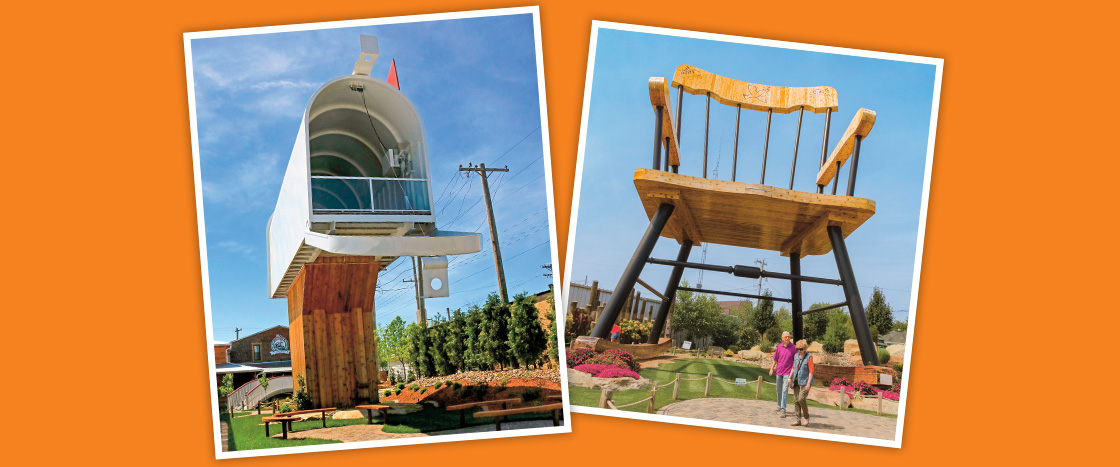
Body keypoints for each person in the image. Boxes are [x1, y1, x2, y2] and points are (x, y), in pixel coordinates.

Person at [769, 331, 796, 415]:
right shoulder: (779, 347)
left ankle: (783, 409)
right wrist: (771, 369)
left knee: (785, 390)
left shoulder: (794, 348)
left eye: (788, 337)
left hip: (787, 373)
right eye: (785, 337)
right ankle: (779, 405)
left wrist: (792, 374)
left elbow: (795, 361)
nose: (787, 338)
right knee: (778, 390)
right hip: (779, 372)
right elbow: (775, 359)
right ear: (782, 338)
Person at [789, 339, 815, 427]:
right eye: (798, 349)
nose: (799, 351)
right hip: (796, 380)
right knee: (796, 400)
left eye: (801, 349)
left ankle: (806, 417)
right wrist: (789, 378)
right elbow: (793, 368)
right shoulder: (796, 356)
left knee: (801, 399)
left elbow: (811, 371)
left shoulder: (809, 357)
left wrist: (808, 383)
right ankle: (798, 420)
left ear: (804, 348)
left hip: (805, 381)